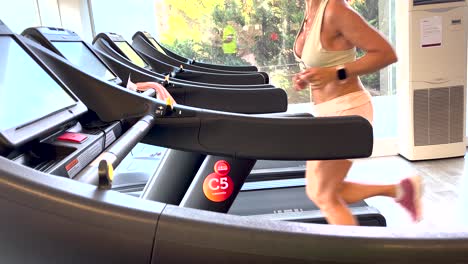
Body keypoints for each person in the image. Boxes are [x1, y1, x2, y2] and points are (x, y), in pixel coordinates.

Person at [293, 0, 422, 225]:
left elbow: (386, 53)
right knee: (317, 191)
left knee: (325, 195)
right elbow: (324, 62)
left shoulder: (335, 9)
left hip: (347, 111)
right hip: (325, 113)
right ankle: (401, 190)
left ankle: (355, 253)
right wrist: (308, 78)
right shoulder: (309, 10)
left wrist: (336, 73)